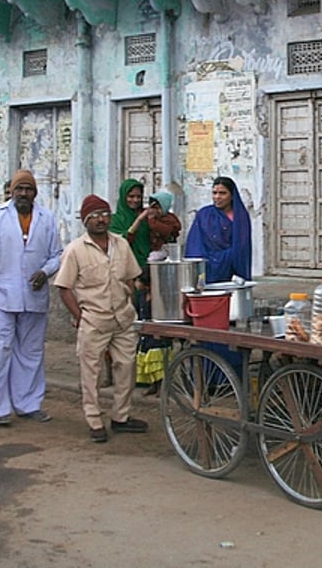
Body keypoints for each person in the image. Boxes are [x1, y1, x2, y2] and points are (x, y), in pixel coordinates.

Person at [54, 194, 149, 443]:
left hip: (123, 317)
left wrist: (130, 302)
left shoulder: (121, 244)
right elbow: (64, 288)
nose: (100, 220)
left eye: (104, 214)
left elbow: (131, 277)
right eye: (94, 216)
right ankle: (94, 419)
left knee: (126, 367)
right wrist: (80, 316)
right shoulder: (75, 250)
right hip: (94, 319)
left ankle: (121, 417)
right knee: (91, 372)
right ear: (85, 221)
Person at [0, 169, 63, 426]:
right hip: (0, 295)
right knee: (1, 348)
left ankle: (28, 404)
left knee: (31, 351)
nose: (24, 194)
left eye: (29, 190)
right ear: (12, 192)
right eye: (19, 189)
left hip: (34, 295)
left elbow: (57, 254)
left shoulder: (47, 218)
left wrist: (45, 272)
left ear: (35, 193)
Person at [137, 190, 182, 395]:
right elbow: (129, 236)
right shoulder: (147, 223)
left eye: (156, 206)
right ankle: (152, 381)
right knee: (146, 332)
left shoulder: (169, 221)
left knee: (161, 337)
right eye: (151, 206)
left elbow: (169, 230)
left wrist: (151, 220)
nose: (152, 210)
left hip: (164, 280)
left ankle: (163, 381)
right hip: (149, 278)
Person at [185, 176, 252, 284]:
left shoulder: (241, 217)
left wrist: (227, 257)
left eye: (222, 193)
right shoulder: (204, 214)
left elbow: (242, 246)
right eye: (214, 193)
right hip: (207, 266)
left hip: (232, 268)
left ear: (232, 196)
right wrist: (206, 262)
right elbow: (195, 243)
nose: (217, 197)